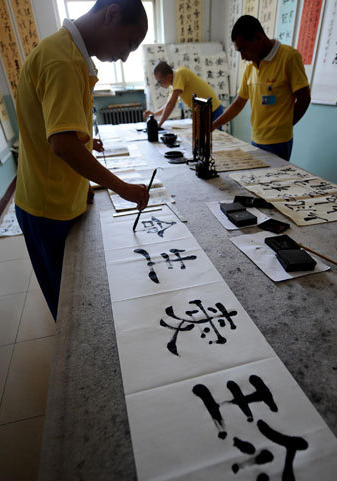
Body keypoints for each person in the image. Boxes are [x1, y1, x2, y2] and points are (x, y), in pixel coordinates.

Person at [15, 0, 149, 321]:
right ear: (112, 13)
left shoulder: (71, 54)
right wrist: (122, 188)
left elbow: (63, 134)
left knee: (77, 293)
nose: (125, 56)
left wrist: (83, 179)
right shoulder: (62, 59)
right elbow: (62, 145)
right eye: (129, 43)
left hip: (62, 197)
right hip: (47, 208)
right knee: (69, 307)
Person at [212, 15, 311, 161]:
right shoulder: (250, 67)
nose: (243, 57)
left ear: (258, 38)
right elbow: (239, 103)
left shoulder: (289, 57)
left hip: (279, 142)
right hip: (256, 139)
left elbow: (304, 98)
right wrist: (213, 125)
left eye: (244, 50)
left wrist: (284, 126)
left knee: (274, 181)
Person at [144, 61, 224, 128]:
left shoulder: (180, 74)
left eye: (160, 81)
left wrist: (159, 125)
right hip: (203, 112)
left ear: (168, 77)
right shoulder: (173, 86)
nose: (159, 84)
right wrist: (154, 114)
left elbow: (171, 104)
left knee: (214, 140)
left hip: (213, 109)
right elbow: (168, 105)